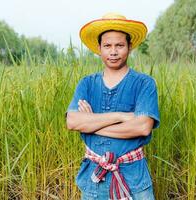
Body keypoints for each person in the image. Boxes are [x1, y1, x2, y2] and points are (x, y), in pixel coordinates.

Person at [66, 13, 160, 200]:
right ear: (99, 49)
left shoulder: (144, 83)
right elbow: (73, 122)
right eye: (107, 46)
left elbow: (142, 127)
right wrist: (121, 116)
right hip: (93, 180)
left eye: (120, 45)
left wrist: (92, 124)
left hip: (134, 181)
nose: (113, 52)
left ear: (129, 47)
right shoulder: (87, 84)